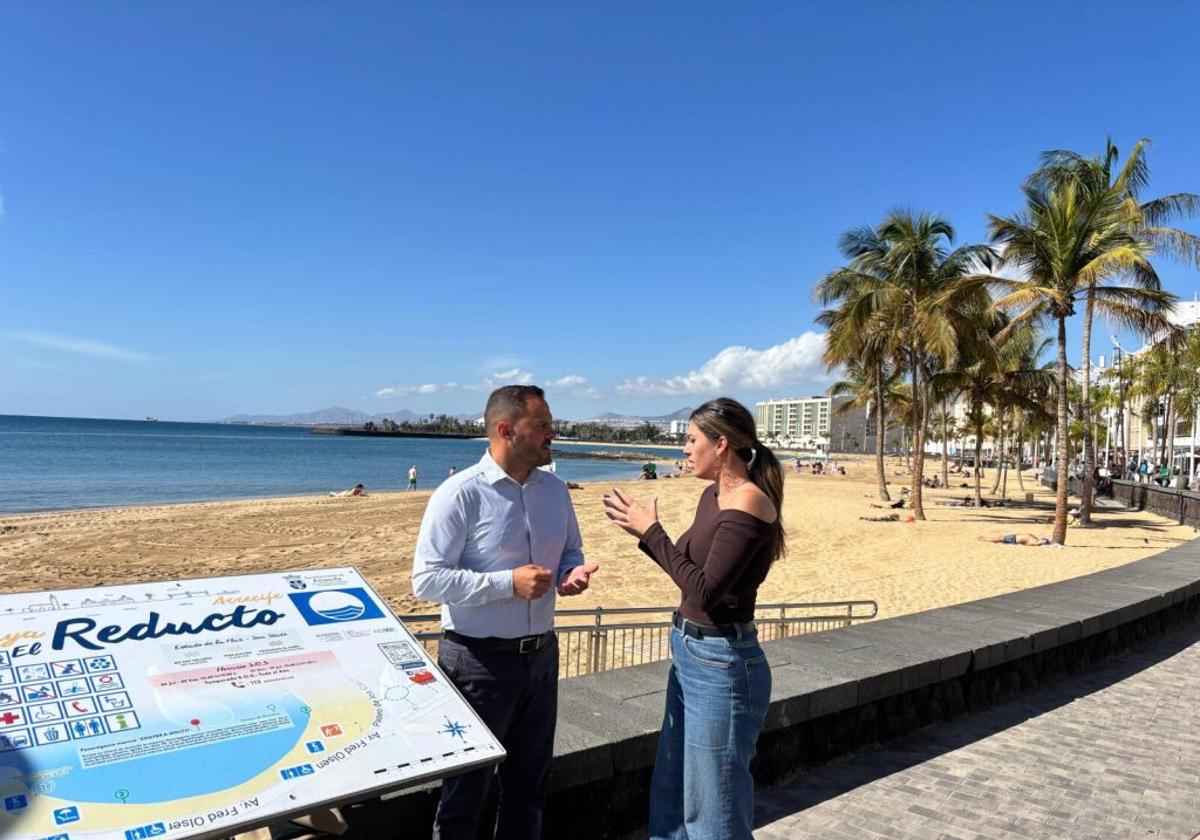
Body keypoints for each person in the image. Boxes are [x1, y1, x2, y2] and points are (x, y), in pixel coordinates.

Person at [412, 385, 599, 840]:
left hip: (541, 659)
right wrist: (507, 583)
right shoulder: (459, 495)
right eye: (542, 426)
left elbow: (570, 551)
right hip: (477, 664)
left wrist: (569, 575)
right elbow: (426, 580)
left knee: (529, 791)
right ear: (505, 430)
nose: (553, 434)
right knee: (465, 797)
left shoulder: (555, 491)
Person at [602, 397, 783, 840]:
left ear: (721, 444)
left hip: (723, 662)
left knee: (713, 810)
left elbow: (705, 589)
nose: (684, 449)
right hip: (689, 650)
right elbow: (683, 564)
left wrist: (651, 532)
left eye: (690, 440)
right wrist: (645, 533)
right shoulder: (712, 496)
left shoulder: (750, 502)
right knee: (671, 792)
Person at [977, 533, 1054, 546]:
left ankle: (985, 539)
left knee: (999, 539)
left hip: (1014, 539)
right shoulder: (1035, 539)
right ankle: (985, 539)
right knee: (999, 538)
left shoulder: (1034, 542)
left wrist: (1045, 541)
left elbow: (1037, 544)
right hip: (1014, 537)